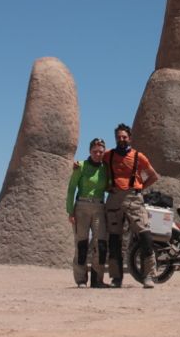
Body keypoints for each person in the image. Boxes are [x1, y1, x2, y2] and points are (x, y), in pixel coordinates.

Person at [103, 123, 160, 288]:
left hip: (134, 198)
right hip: (114, 199)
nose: (121, 139)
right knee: (114, 240)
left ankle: (148, 276)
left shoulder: (138, 156)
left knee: (145, 236)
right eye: (118, 137)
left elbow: (153, 176)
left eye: (124, 137)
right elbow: (95, 164)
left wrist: (140, 188)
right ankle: (116, 278)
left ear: (130, 138)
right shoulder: (108, 155)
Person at [66, 137, 109, 287]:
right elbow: (71, 189)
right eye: (95, 151)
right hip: (82, 208)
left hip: (99, 208)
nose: (98, 154)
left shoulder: (106, 168)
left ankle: (97, 280)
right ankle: (81, 280)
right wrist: (70, 211)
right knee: (81, 243)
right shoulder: (81, 166)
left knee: (101, 244)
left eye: (101, 151)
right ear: (89, 151)